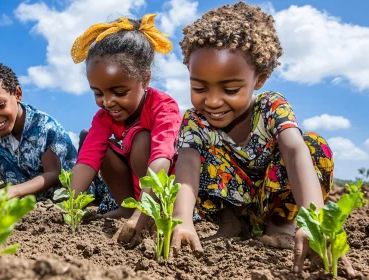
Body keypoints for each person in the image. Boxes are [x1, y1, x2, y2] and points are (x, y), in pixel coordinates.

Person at [169, 2, 357, 276]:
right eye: (199, 87)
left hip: (274, 201)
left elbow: (294, 152)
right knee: (192, 155)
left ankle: (283, 227)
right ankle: (230, 224)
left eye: (230, 89)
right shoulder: (195, 121)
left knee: (313, 146)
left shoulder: (272, 107)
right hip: (235, 202)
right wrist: (182, 220)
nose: (211, 100)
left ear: (259, 79)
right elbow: (186, 168)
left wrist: (314, 222)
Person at [69, 14, 182, 244]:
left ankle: (147, 213)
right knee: (99, 148)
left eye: (119, 92)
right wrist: (70, 206)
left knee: (141, 138)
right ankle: (126, 208)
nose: (108, 102)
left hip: (163, 194)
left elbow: (162, 158)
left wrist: (144, 210)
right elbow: (87, 160)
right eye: (98, 93)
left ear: (145, 79)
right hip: (133, 192)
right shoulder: (104, 117)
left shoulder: (163, 106)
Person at [0, 61, 77, 207]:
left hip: (62, 196)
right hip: (23, 195)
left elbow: (53, 174)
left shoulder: (44, 127)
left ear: (18, 94)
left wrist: (13, 191)